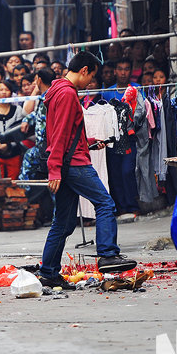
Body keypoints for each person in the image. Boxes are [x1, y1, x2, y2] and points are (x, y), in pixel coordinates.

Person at [38, 51, 137, 290]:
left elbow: (68, 132)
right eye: (91, 76)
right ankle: (108, 254)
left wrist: (88, 141)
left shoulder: (59, 90)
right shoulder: (67, 94)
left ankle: (49, 272)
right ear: (84, 70)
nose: (91, 82)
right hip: (73, 165)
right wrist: (54, 170)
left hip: (68, 161)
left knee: (62, 222)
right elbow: (59, 134)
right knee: (105, 203)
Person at [101, 57, 141, 217]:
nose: (123, 72)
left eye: (126, 69)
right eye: (120, 69)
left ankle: (133, 204)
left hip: (130, 138)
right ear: (115, 71)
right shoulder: (107, 91)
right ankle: (121, 206)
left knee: (127, 171)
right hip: (113, 139)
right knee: (115, 173)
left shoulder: (137, 89)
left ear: (130, 71)